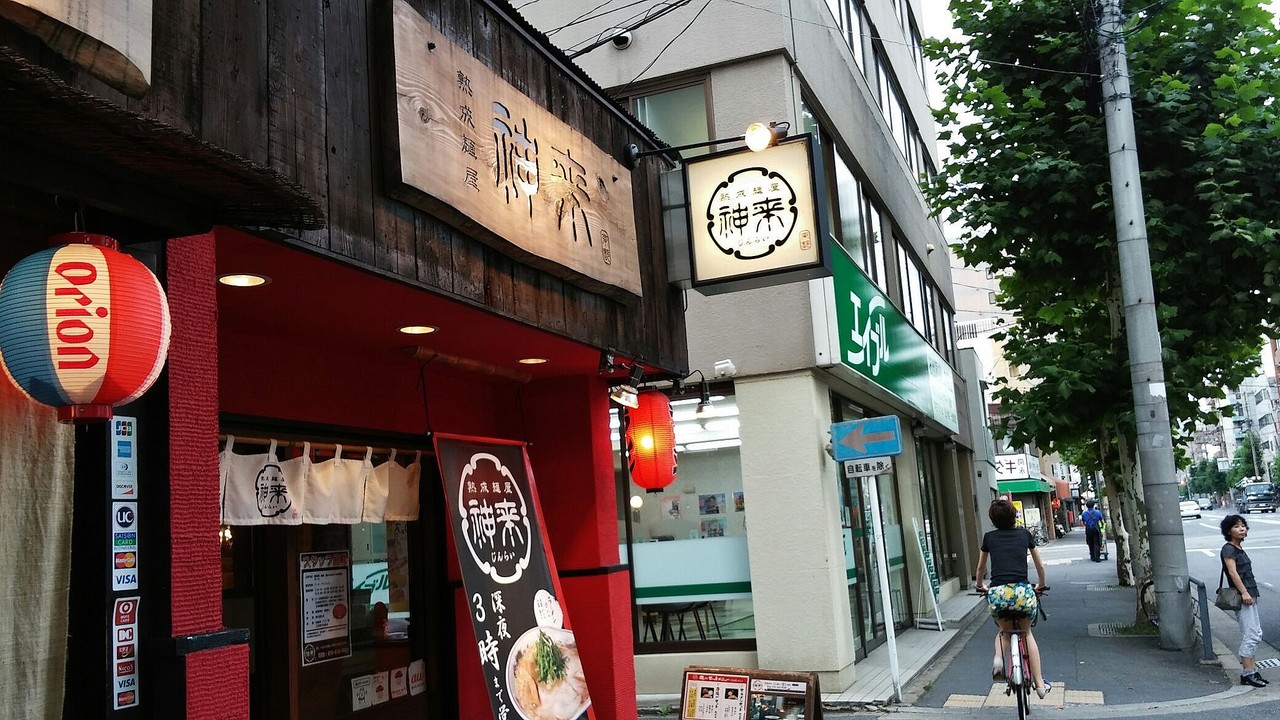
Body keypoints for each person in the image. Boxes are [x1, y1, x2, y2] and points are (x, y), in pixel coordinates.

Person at [975, 498, 1051, 699]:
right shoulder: (1024, 534)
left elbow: (980, 568)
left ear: (993, 519)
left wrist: (980, 585)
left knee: (1004, 631)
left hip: (998, 593)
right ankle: (1040, 684)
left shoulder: (989, 538)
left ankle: (998, 660)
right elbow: (1039, 565)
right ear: (1014, 516)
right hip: (1022, 593)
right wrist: (1041, 584)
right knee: (1026, 633)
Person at [1221, 514, 1268, 687]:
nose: (1241, 529)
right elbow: (1233, 573)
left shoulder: (1238, 548)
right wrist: (1244, 593)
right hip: (1243, 596)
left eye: (1243, 525)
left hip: (1250, 594)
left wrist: (1251, 594)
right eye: (1236, 526)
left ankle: (1252, 671)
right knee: (1251, 634)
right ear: (1228, 531)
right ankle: (1247, 673)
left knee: (1256, 633)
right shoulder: (1228, 549)